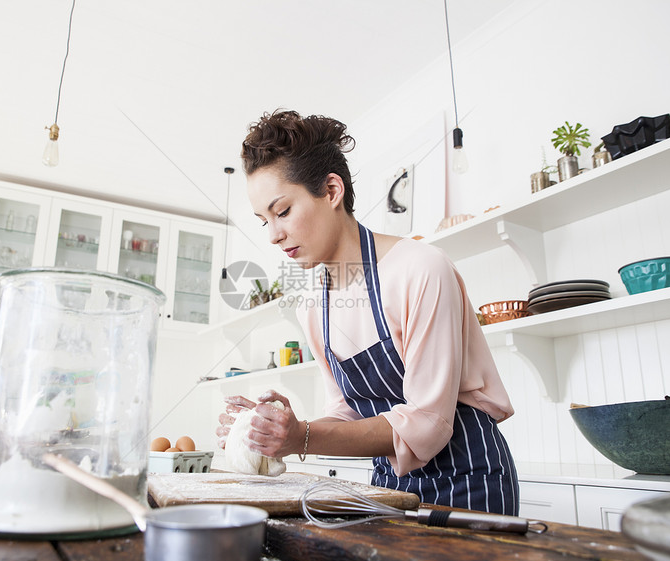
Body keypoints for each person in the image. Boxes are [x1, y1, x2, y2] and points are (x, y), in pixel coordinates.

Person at [216, 110, 519, 515]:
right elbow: (345, 413)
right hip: (389, 488)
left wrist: (302, 437)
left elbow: (429, 422)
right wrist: (272, 429)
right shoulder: (314, 306)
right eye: (263, 220)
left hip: (469, 483)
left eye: (283, 211)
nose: (273, 235)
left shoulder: (421, 268)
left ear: (332, 191)